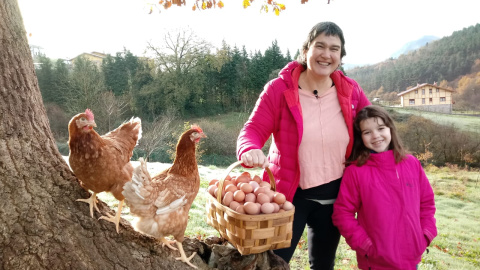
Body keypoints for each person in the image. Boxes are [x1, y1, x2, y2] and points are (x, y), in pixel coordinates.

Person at [236, 21, 370, 269]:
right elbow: (252, 130)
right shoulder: (279, 90)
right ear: (306, 49)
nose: (326, 54)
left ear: (341, 56)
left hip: (335, 198)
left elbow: (374, 130)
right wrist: (249, 148)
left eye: (334, 49)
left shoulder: (351, 92)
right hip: (288, 197)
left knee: (323, 264)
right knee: (274, 263)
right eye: (319, 46)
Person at [332, 105, 437, 270]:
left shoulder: (411, 163)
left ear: (390, 129)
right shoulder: (355, 172)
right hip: (375, 260)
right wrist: (365, 245)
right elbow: (342, 213)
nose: (376, 136)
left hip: (412, 258)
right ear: (361, 137)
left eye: (381, 128)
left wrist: (426, 234)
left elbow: (427, 203)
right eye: (367, 132)